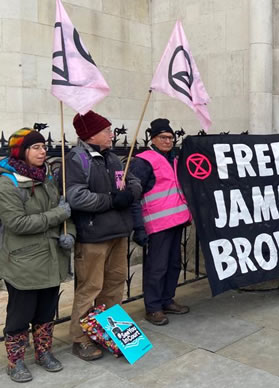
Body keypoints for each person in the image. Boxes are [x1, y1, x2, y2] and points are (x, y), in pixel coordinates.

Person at [0, 128, 75, 382]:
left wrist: (70, 233)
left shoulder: (48, 177)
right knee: (20, 314)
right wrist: (59, 216)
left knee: (46, 311)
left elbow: (64, 212)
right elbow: (17, 223)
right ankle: (16, 361)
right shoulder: (7, 181)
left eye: (44, 146)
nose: (43, 151)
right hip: (24, 262)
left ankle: (44, 352)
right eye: (36, 147)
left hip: (52, 257)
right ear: (22, 151)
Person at [66, 111, 142, 361]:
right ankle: (80, 338)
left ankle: (111, 332)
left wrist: (130, 193)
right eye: (106, 130)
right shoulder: (78, 159)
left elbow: (133, 182)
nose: (112, 134)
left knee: (114, 284)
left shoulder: (113, 158)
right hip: (94, 236)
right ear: (91, 135)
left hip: (118, 232)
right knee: (91, 287)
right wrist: (110, 200)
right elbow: (76, 196)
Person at [129, 118, 192, 326]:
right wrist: (138, 227)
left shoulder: (173, 159)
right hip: (157, 224)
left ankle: (167, 299)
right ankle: (153, 307)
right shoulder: (143, 161)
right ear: (153, 139)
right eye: (163, 137)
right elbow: (134, 195)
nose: (168, 141)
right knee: (157, 267)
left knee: (173, 264)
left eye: (171, 137)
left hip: (176, 220)